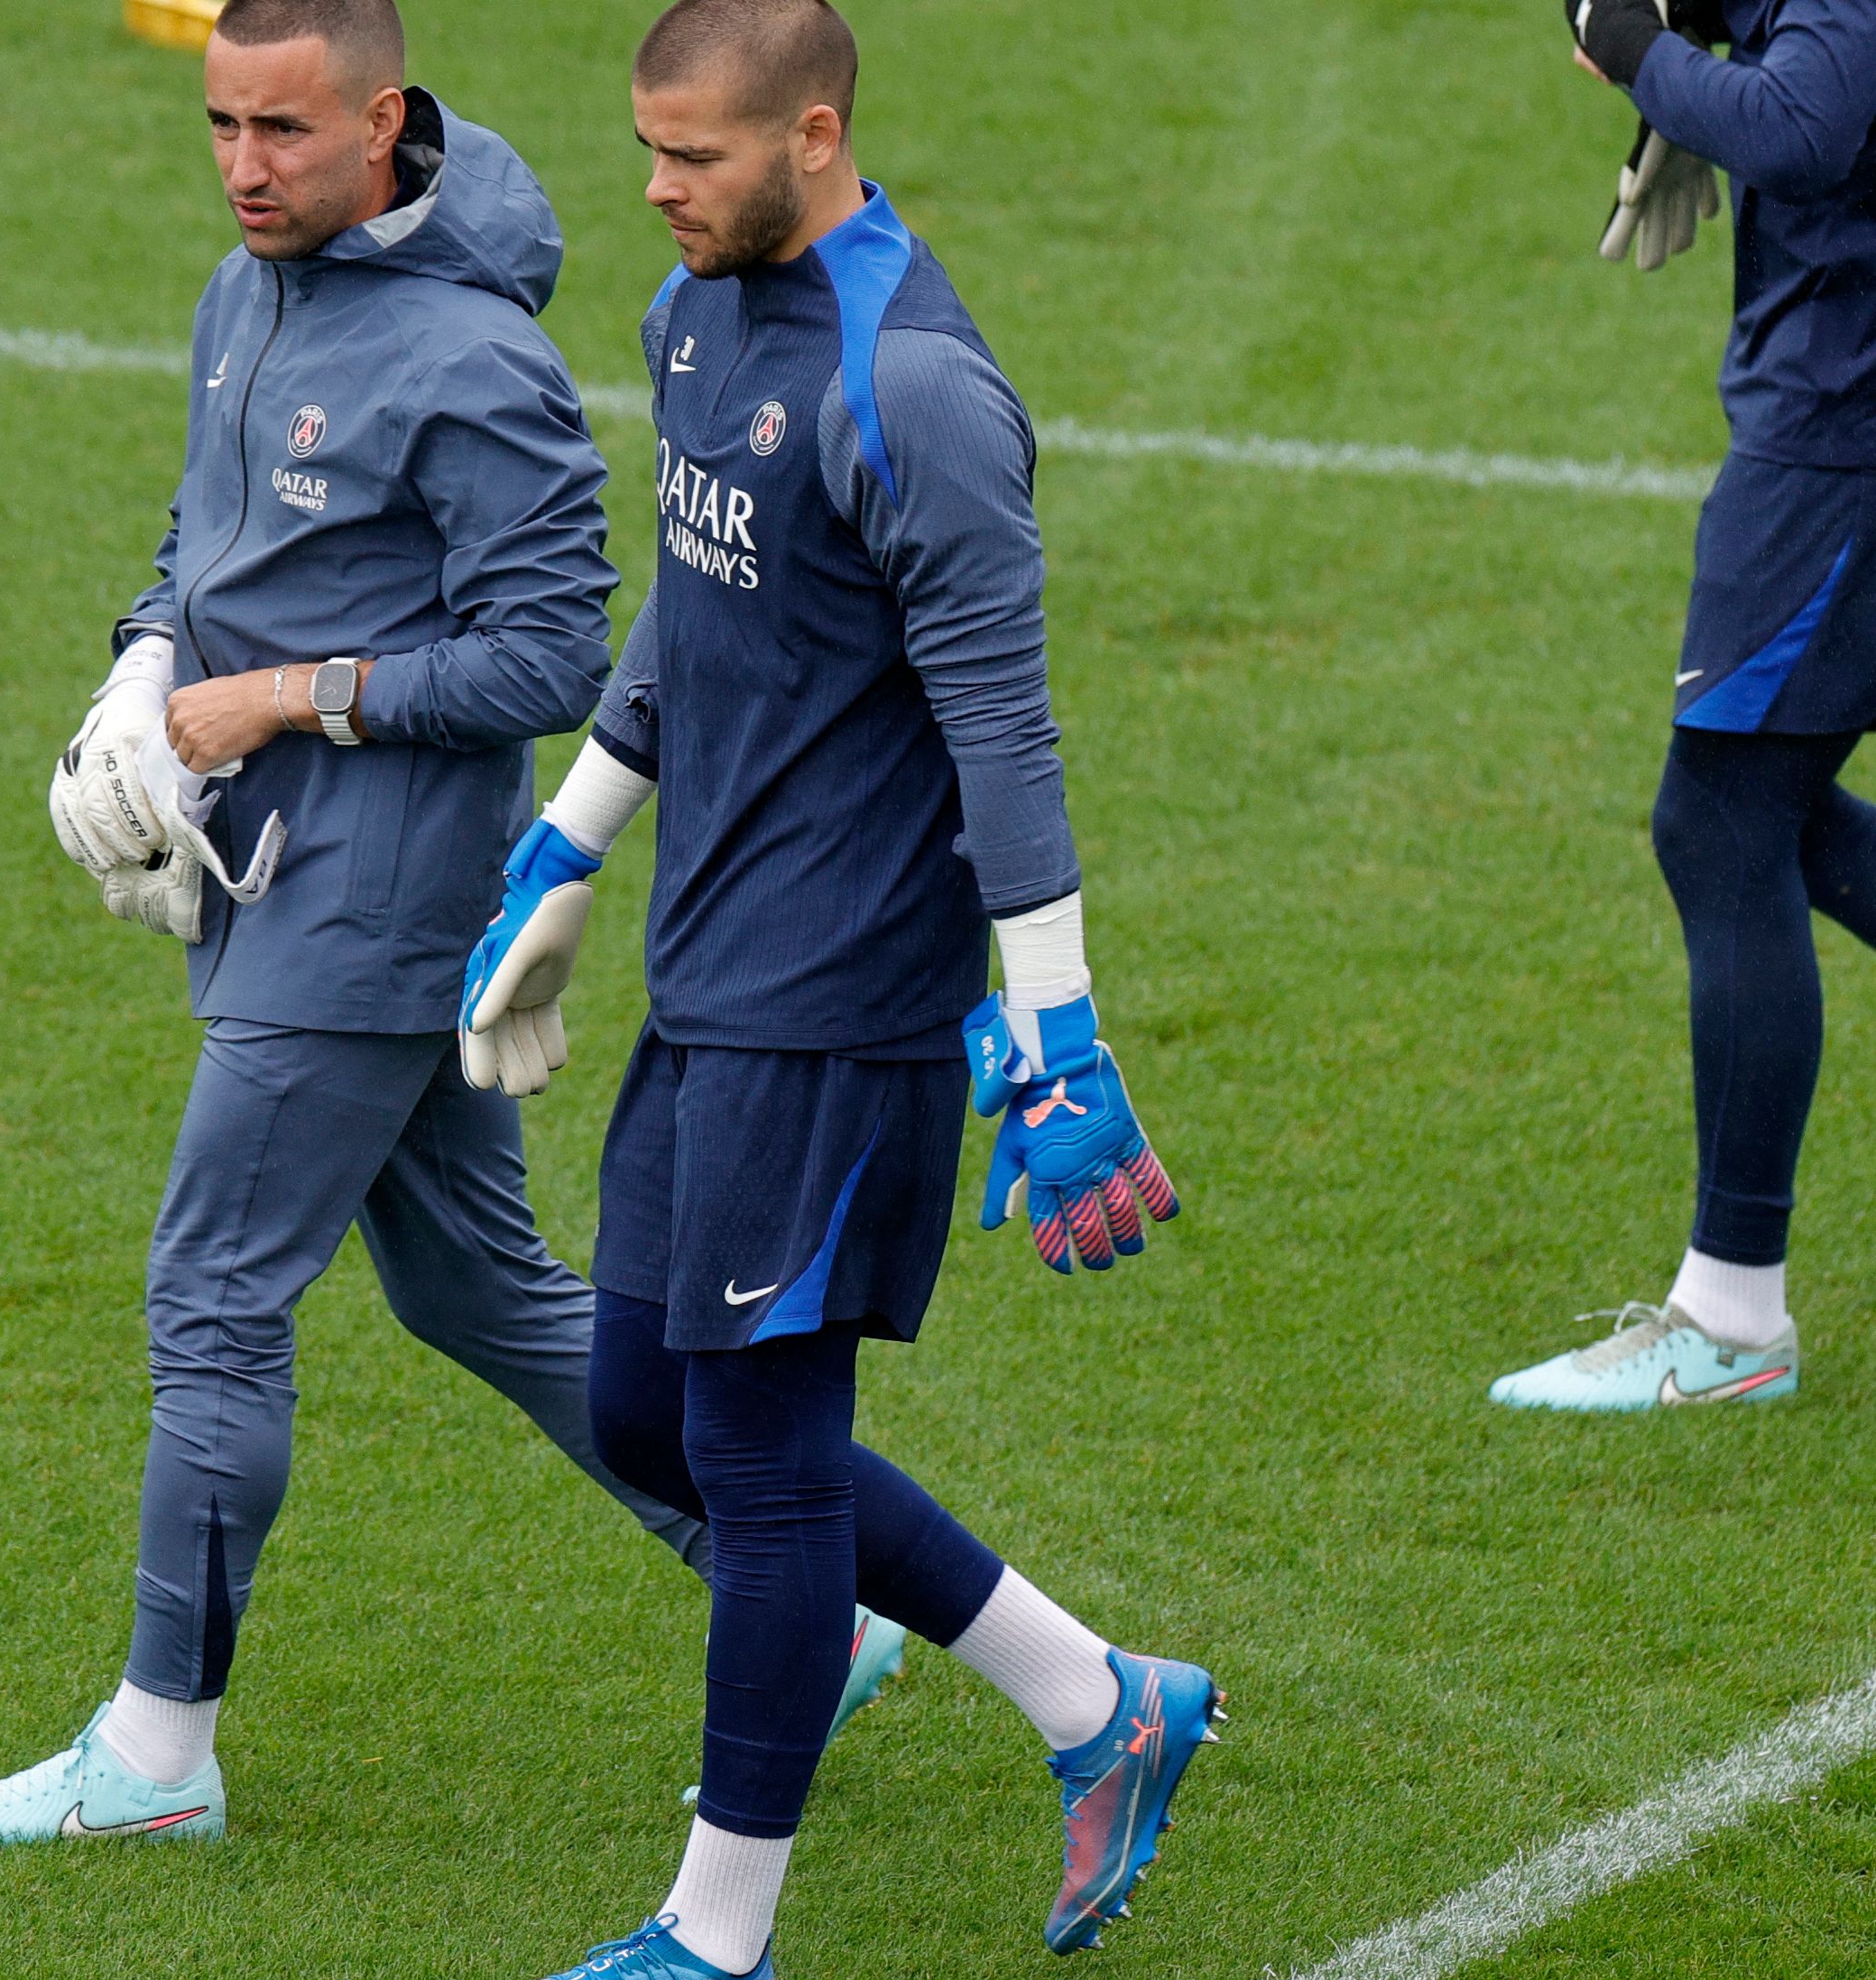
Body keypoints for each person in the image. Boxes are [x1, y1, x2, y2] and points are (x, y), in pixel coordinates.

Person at [0, 0, 904, 1848]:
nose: (244, 166)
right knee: (475, 1281)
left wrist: (284, 699)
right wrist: (145, 671)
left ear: (385, 127)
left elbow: (551, 652)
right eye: (220, 124)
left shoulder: (478, 363)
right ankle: (803, 1580)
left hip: (374, 904)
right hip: (276, 871)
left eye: (282, 132)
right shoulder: (242, 295)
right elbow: (202, 549)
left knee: (213, 1293)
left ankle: (157, 1750)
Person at [454, 4, 1218, 1971]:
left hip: (846, 1004)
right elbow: (694, 605)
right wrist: (567, 846)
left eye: (693, 158)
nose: (654, 189)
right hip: (709, 967)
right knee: (643, 1405)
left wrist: (1057, 1037)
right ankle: (1100, 1698)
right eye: (645, 150)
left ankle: (717, 1936)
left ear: (814, 134)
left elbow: (1007, 735)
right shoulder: (693, 318)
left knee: (765, 1461)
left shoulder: (921, 389)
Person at [1495, 0, 1876, 1411]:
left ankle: (1733, 1317)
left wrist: (1654, 56)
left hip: (1838, 438)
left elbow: (1807, 122)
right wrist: (1687, 32)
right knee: (1757, 814)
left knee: (1721, 819)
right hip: (1838, 411)